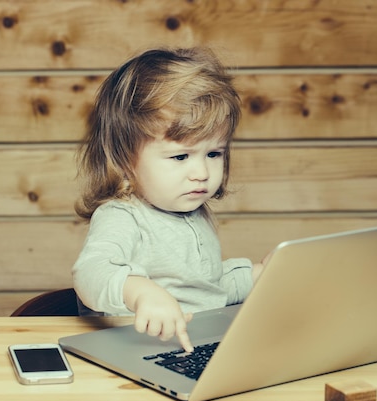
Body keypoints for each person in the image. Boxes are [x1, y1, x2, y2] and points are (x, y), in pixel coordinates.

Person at [72, 47, 265, 353]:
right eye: (180, 156)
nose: (201, 172)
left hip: (196, 346)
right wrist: (141, 293)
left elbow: (203, 291)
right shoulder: (123, 216)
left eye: (214, 153)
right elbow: (92, 273)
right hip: (139, 350)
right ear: (125, 160)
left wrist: (257, 277)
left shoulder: (193, 213)